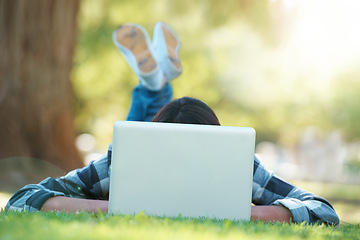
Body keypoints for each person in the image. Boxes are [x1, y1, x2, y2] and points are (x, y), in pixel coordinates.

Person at [6, 22, 340, 226]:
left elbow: (323, 212)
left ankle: (153, 84)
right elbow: (22, 200)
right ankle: (154, 85)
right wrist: (113, 208)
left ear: (218, 148)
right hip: (135, 150)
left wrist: (241, 214)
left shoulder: (239, 167)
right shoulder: (120, 164)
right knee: (137, 127)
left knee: (141, 120)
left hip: (150, 135)